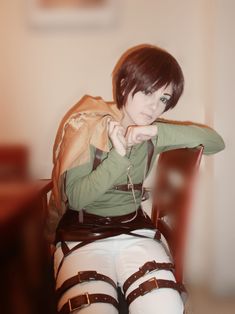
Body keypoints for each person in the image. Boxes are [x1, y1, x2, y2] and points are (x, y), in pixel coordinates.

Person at [46, 44, 225, 314]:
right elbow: (78, 197)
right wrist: (119, 155)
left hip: (134, 231)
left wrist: (156, 131)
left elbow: (215, 142)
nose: (154, 106)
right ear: (125, 84)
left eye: (164, 98)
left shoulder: (153, 131)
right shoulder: (87, 126)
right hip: (83, 234)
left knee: (165, 306)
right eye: (147, 91)